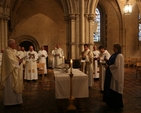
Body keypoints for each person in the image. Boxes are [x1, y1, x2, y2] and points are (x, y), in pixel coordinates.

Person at [0, 39, 23, 106]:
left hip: (14, 71)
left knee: (15, 85)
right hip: (10, 73)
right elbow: (11, 62)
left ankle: (17, 101)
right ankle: (10, 102)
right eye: (14, 43)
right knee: (10, 87)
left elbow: (15, 59)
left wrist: (18, 59)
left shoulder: (13, 51)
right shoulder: (7, 51)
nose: (15, 45)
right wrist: (18, 62)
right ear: (10, 44)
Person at [103, 44, 124, 109]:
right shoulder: (114, 54)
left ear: (116, 48)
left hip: (116, 75)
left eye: (113, 48)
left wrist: (109, 66)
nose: (113, 49)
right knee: (112, 87)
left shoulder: (119, 55)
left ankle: (116, 104)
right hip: (112, 73)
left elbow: (116, 65)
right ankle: (111, 103)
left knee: (115, 88)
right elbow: (111, 62)